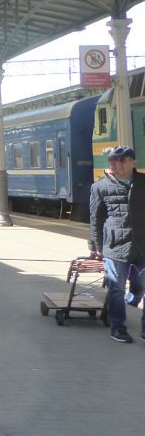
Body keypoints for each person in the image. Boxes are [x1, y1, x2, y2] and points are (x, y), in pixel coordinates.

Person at [89, 145, 145, 343]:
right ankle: (117, 327)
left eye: (122, 160)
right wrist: (95, 246)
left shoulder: (143, 182)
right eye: (113, 161)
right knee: (116, 288)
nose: (117, 164)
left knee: (140, 287)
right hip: (115, 245)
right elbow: (95, 219)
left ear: (132, 162)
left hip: (142, 244)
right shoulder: (100, 187)